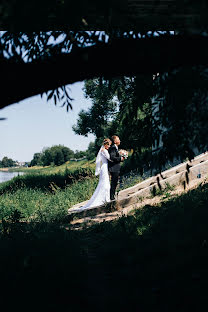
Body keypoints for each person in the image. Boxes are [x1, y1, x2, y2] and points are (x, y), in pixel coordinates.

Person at [74, 138, 112, 211]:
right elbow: (109, 158)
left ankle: (106, 198)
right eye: (109, 145)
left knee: (106, 183)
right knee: (105, 183)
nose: (109, 146)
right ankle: (105, 199)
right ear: (105, 144)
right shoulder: (104, 150)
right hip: (104, 167)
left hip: (105, 166)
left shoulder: (103, 150)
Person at [108, 135, 124, 200]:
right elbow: (112, 157)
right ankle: (111, 197)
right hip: (114, 168)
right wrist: (120, 159)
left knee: (115, 182)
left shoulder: (115, 148)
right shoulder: (113, 148)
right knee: (114, 182)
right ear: (115, 141)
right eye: (118, 139)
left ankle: (112, 196)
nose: (120, 140)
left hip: (115, 167)